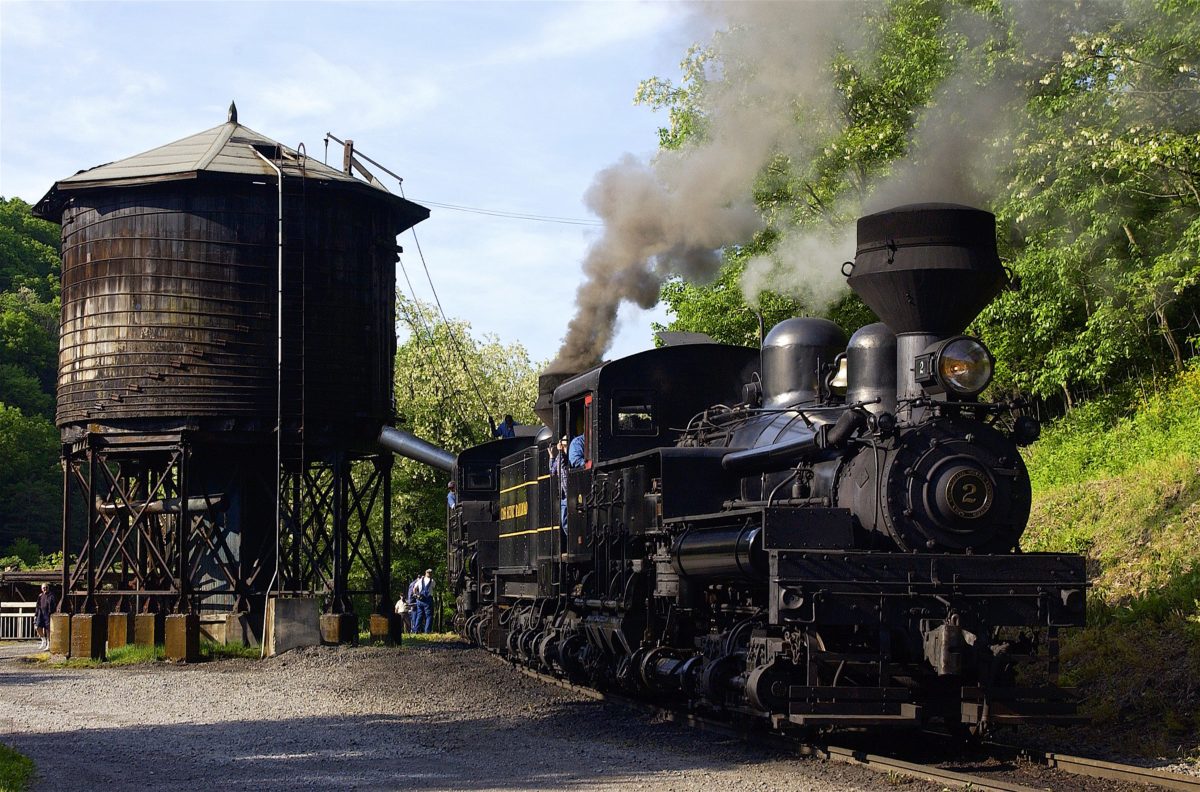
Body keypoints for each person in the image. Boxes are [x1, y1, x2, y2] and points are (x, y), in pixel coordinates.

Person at [548, 435, 569, 532]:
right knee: (564, 523)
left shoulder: (568, 457)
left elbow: (563, 464)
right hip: (564, 494)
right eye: (564, 446)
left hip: (570, 491)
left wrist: (560, 452)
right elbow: (553, 471)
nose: (564, 448)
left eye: (565, 446)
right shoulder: (559, 457)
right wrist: (551, 457)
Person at [411, 569, 434, 634]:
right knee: (429, 616)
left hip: (419, 600)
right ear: (431, 574)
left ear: (425, 573)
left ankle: (416, 630)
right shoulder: (432, 581)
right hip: (427, 600)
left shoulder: (420, 580)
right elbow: (433, 587)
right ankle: (427, 631)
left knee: (419, 615)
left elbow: (414, 588)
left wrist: (416, 595)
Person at [34, 583, 55, 651]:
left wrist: (51, 613)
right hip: (41, 613)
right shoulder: (40, 596)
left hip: (47, 614)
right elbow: (37, 605)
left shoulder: (51, 596)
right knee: (37, 627)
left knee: (48, 629)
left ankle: (48, 644)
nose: (45, 589)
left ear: (48, 588)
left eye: (46, 587)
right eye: (43, 588)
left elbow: (53, 605)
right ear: (41, 589)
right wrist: (36, 614)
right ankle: (43, 640)